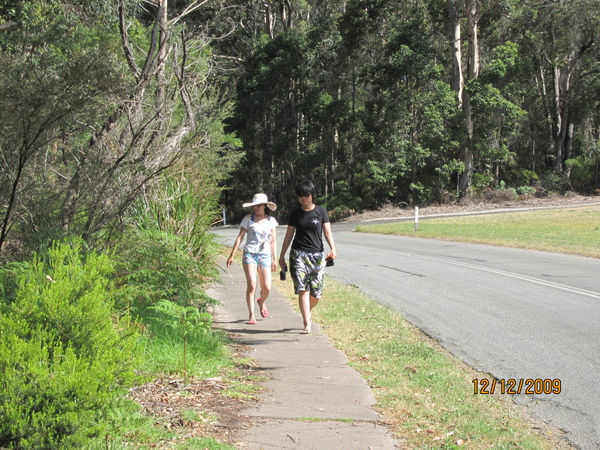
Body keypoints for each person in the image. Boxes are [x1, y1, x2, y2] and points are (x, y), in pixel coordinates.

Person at [278, 180, 337, 334]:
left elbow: (327, 232)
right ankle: (307, 323)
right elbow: (289, 235)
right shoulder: (295, 213)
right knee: (302, 289)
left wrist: (333, 248)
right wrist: (282, 255)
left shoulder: (321, 211)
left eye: (306, 195)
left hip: (317, 255)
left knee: (316, 293)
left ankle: (306, 312)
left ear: (312, 195)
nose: (303, 198)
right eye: (300, 196)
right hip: (298, 254)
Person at [227, 193, 278, 324]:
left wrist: (275, 259)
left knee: (267, 286)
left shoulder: (271, 221)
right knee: (252, 285)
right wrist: (232, 255)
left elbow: (273, 241)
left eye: (259, 205)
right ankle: (251, 315)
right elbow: (240, 236)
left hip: (265, 255)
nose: (256, 208)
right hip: (250, 253)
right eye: (254, 205)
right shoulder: (248, 219)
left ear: (265, 206)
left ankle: (261, 301)